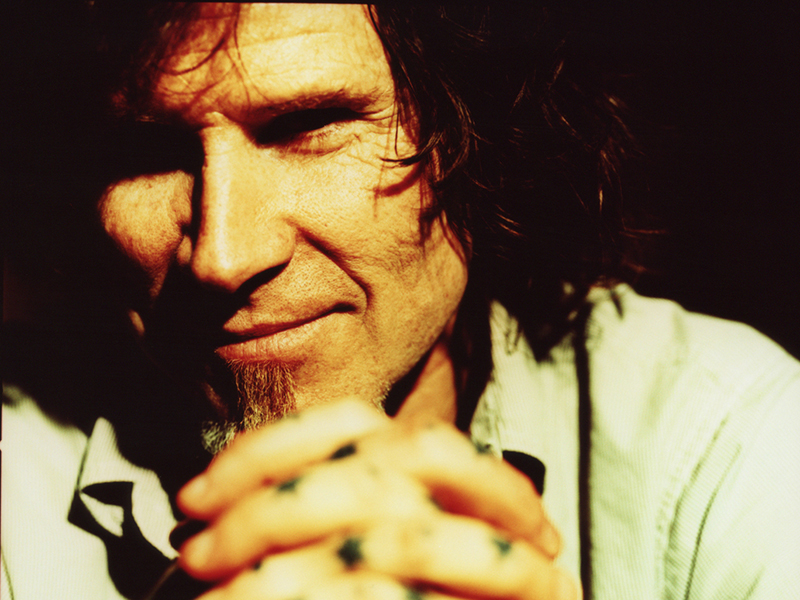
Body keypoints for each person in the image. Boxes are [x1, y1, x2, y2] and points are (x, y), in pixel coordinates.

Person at [3, 4, 799, 600]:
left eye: (310, 125)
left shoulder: (728, 446)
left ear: (482, 134)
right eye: (143, 150)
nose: (224, 257)